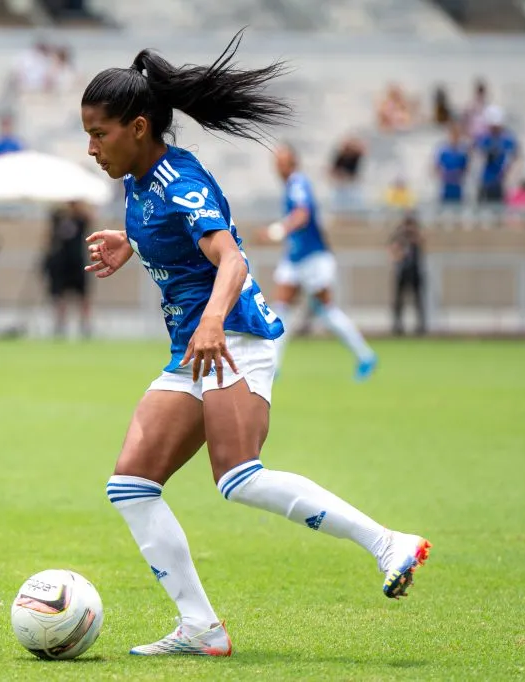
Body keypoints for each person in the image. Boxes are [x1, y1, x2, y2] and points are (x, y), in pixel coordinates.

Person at [81, 31, 430, 657]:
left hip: (232, 334)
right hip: (197, 345)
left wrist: (213, 321)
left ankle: (389, 543)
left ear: (137, 127)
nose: (91, 148)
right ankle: (200, 629)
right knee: (130, 485)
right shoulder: (139, 182)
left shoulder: (177, 178)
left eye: (99, 134)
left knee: (238, 476)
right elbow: (178, 237)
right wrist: (129, 243)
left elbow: (232, 259)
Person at [266, 144, 377, 380]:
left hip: (313, 258)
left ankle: (365, 355)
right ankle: (272, 366)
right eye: (276, 161)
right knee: (281, 308)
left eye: (281, 160)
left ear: (292, 163)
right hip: (296, 257)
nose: (277, 165)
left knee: (325, 310)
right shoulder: (291, 185)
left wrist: (280, 229)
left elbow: (303, 214)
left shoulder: (298, 183)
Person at [44, 201, 91, 339]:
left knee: (83, 296)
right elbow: (49, 236)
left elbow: (89, 218)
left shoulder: (80, 219)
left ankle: (85, 326)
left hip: (77, 262)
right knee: (59, 295)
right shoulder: (58, 217)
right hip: (61, 263)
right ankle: (60, 325)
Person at [389, 212, 425, 336]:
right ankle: (397, 325)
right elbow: (393, 250)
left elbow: (422, 242)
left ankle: (421, 325)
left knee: (418, 300)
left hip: (415, 271)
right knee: (399, 300)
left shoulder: (416, 236)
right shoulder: (399, 236)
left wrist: (414, 234)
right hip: (402, 272)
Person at [474, 106, 518, 204]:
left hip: (500, 181)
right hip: (485, 180)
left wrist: (509, 172)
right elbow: (478, 155)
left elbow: (514, 157)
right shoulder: (484, 138)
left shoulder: (507, 139)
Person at [435, 121, 469, 205]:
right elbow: (436, 166)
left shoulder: (462, 151)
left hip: (458, 185)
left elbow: (466, 167)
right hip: (446, 185)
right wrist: (442, 176)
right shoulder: (443, 150)